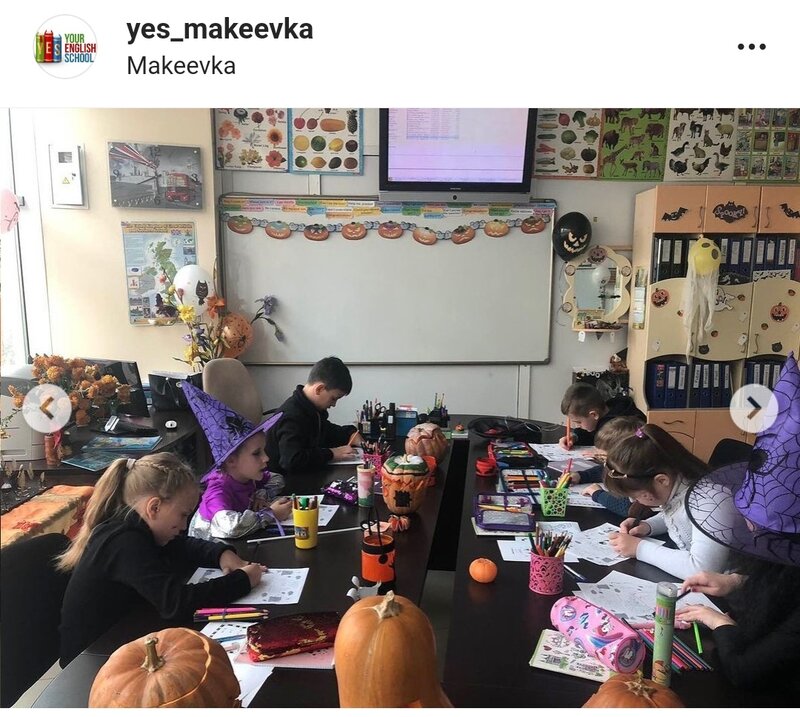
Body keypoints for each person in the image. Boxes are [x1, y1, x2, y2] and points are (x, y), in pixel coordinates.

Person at [58, 452, 265, 667]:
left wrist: (221, 554)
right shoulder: (124, 542)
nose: (184, 526)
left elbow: (183, 545)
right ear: (154, 507)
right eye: (183, 515)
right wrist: (242, 581)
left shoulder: (139, 526)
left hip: (125, 636)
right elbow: (175, 603)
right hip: (92, 662)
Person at [675, 352, 800, 697]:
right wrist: (734, 582)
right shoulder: (785, 567)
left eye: (757, 520)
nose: (746, 521)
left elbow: (745, 672)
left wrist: (717, 620)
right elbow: (784, 583)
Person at [603, 423, 733, 579]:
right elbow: (681, 516)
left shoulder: (710, 501)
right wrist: (648, 525)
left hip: (727, 586)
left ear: (661, 480)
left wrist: (639, 548)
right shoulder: (680, 486)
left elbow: (702, 569)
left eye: (638, 495)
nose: (632, 501)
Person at [182, 381, 293, 540]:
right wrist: (271, 514)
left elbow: (276, 479)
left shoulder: (247, 477)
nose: (266, 458)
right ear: (231, 461)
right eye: (256, 453)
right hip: (212, 551)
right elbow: (230, 527)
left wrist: (260, 495)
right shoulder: (217, 491)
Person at [265, 356, 360, 475]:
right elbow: (292, 460)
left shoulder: (311, 410)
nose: (334, 404)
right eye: (333, 398)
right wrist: (332, 454)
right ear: (319, 389)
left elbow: (327, 432)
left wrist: (350, 434)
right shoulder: (292, 416)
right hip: (283, 481)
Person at [572, 416, 650, 517]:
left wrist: (597, 493)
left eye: (605, 458)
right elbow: (605, 470)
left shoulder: (640, 473)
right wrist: (581, 476)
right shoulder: (626, 465)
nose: (604, 463)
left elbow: (627, 508)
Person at [558, 383, 645, 449]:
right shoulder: (607, 410)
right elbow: (590, 433)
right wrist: (575, 437)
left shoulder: (617, 428)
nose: (577, 426)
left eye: (579, 422)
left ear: (594, 415)